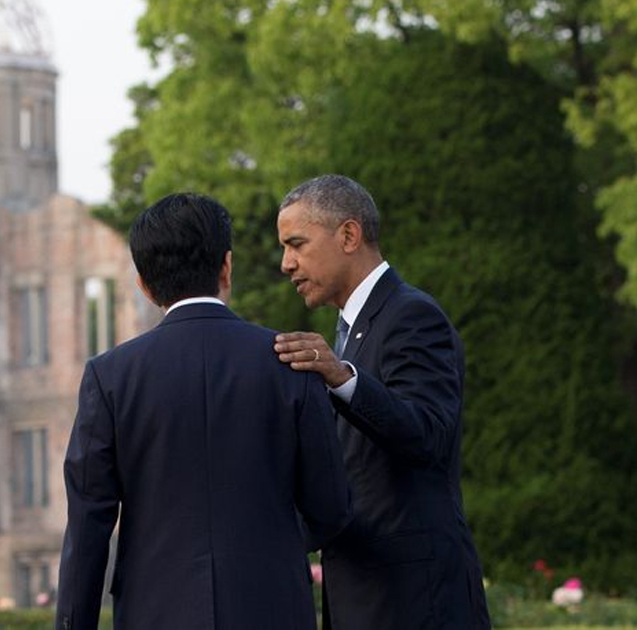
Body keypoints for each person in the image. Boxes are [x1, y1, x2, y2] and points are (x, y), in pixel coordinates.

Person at [55, 192, 351, 630]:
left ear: (144, 284)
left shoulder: (110, 377)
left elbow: (88, 528)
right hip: (272, 607)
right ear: (226, 267)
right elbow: (331, 509)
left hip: (155, 612)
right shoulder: (293, 363)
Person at [273, 174, 491, 629]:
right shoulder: (349, 330)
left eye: (296, 244)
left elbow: (428, 432)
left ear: (348, 235)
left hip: (415, 603)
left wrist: (341, 376)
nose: (286, 264)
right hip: (367, 596)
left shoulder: (412, 315)